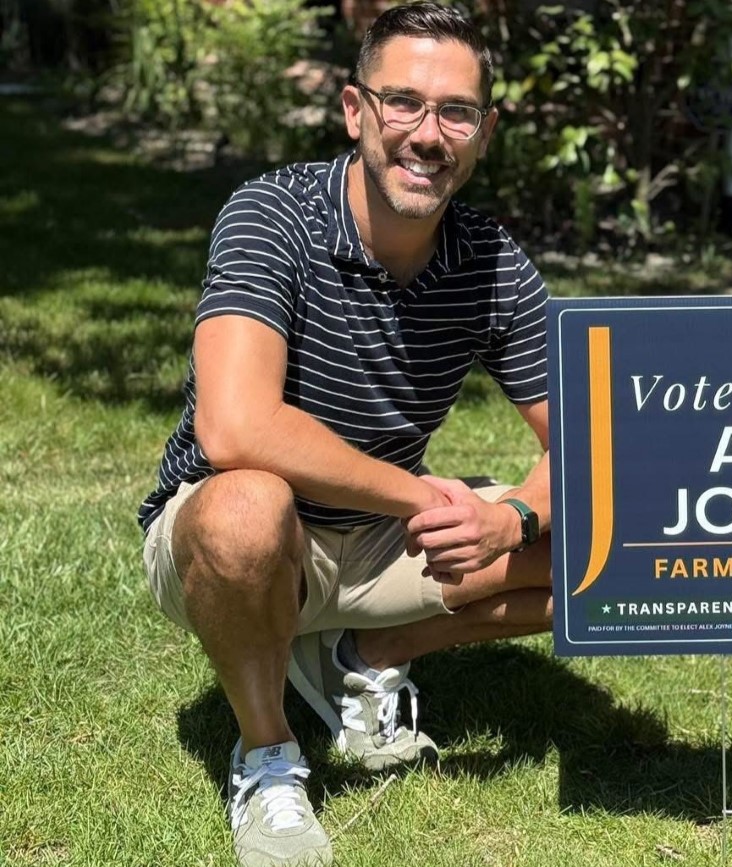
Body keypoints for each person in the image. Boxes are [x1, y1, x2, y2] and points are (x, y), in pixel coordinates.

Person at [137, 5, 552, 865]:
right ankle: (268, 756)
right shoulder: (272, 216)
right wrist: (424, 494)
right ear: (355, 110)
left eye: (456, 112)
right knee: (250, 503)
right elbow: (233, 426)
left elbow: (595, 443)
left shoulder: (491, 261)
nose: (428, 135)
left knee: (620, 546)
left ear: (486, 131)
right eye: (402, 103)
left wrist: (513, 521)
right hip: (232, 538)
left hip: (381, 543)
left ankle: (366, 653)